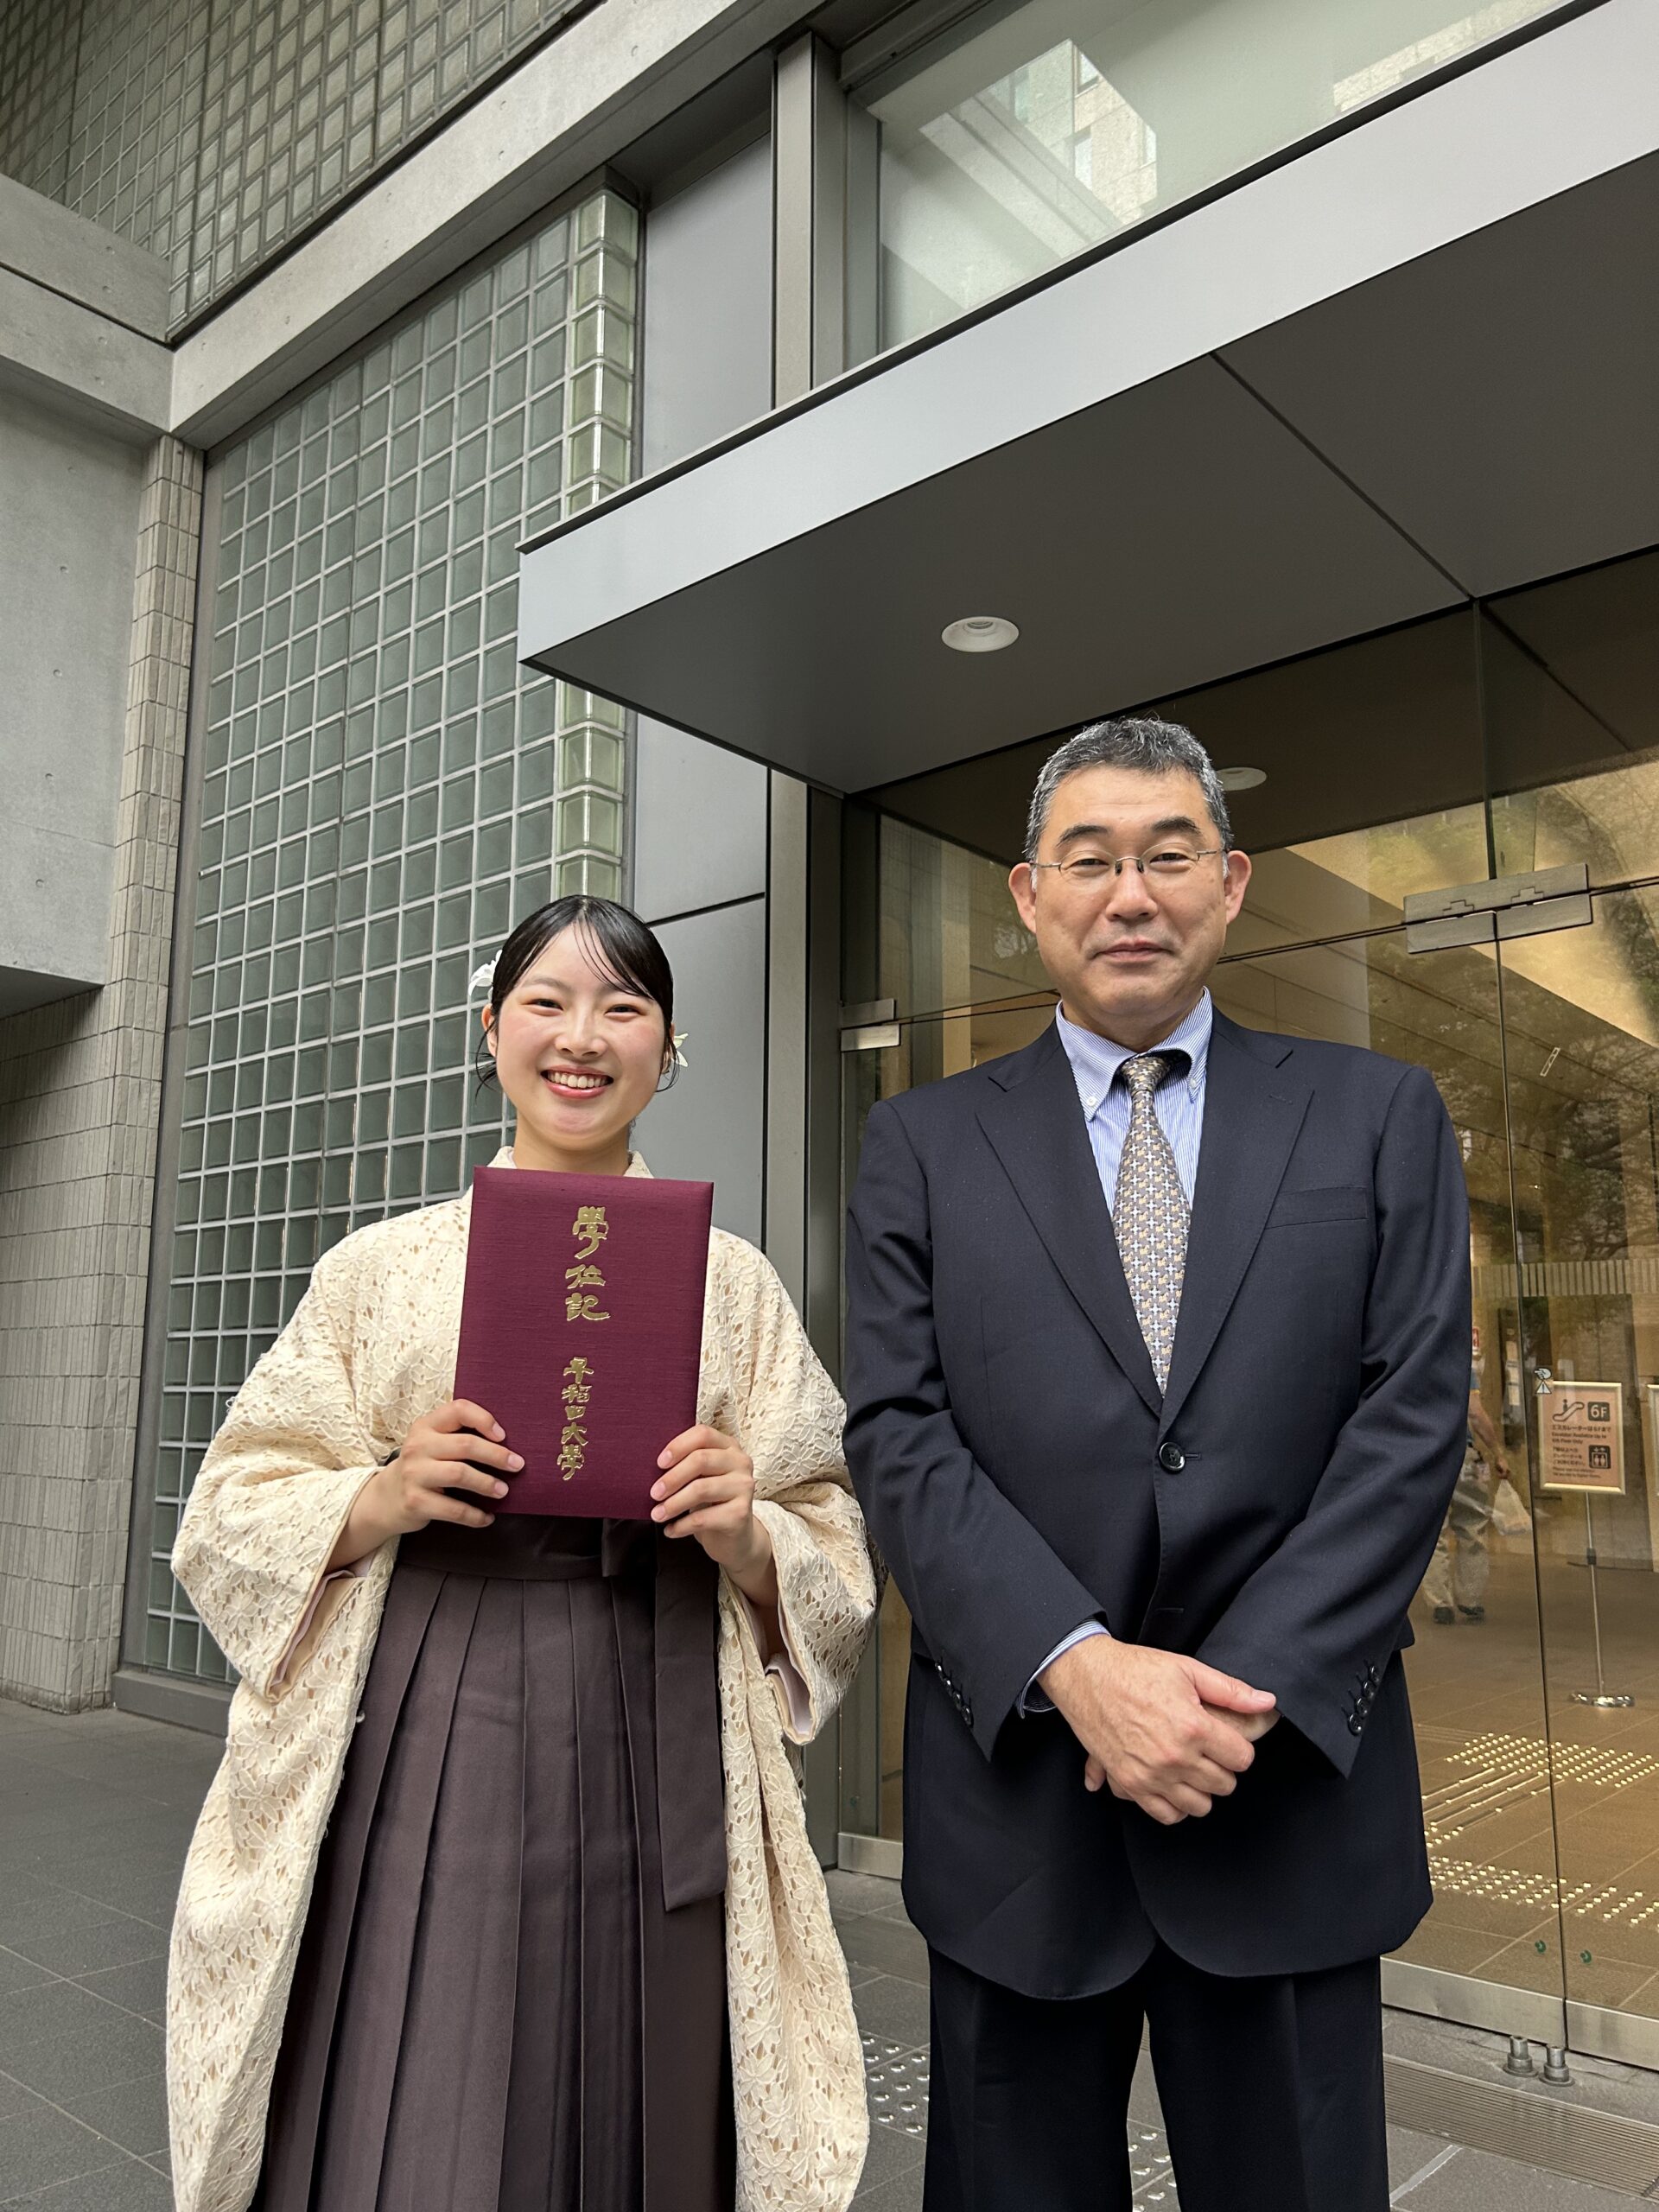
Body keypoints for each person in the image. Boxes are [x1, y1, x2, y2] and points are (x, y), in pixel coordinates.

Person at [842, 717, 1471, 2212]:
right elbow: (899, 1435)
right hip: (1021, 1817)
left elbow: (1411, 1419)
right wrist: (1078, 1668)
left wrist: (1228, 1697)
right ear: (1029, 896)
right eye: (1091, 859)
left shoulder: (1377, 1114)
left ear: (1231, 884)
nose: (1131, 894)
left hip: (1283, 1794)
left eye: (1168, 854)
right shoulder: (921, 1143)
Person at [166, 895, 879, 2212]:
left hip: (661, 1696)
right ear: (492, 1030)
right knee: (415, 2028)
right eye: (546, 1003)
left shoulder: (736, 1284)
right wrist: (379, 1495)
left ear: (669, 1049)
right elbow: (231, 1505)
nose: (582, 1038)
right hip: (431, 1693)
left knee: (641, 2053)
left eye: (623, 1008)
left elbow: (829, 1527)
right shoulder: (381, 1268)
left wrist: (750, 1530)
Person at [1424, 1355, 1510, 1624]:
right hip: (1463, 1454)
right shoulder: (1461, 1364)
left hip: (1428, 1456)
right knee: (1472, 1526)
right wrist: (1497, 1452)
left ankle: (1440, 1603)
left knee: (1434, 1533)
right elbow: (1475, 1412)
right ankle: (1470, 1600)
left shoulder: (1415, 1363)